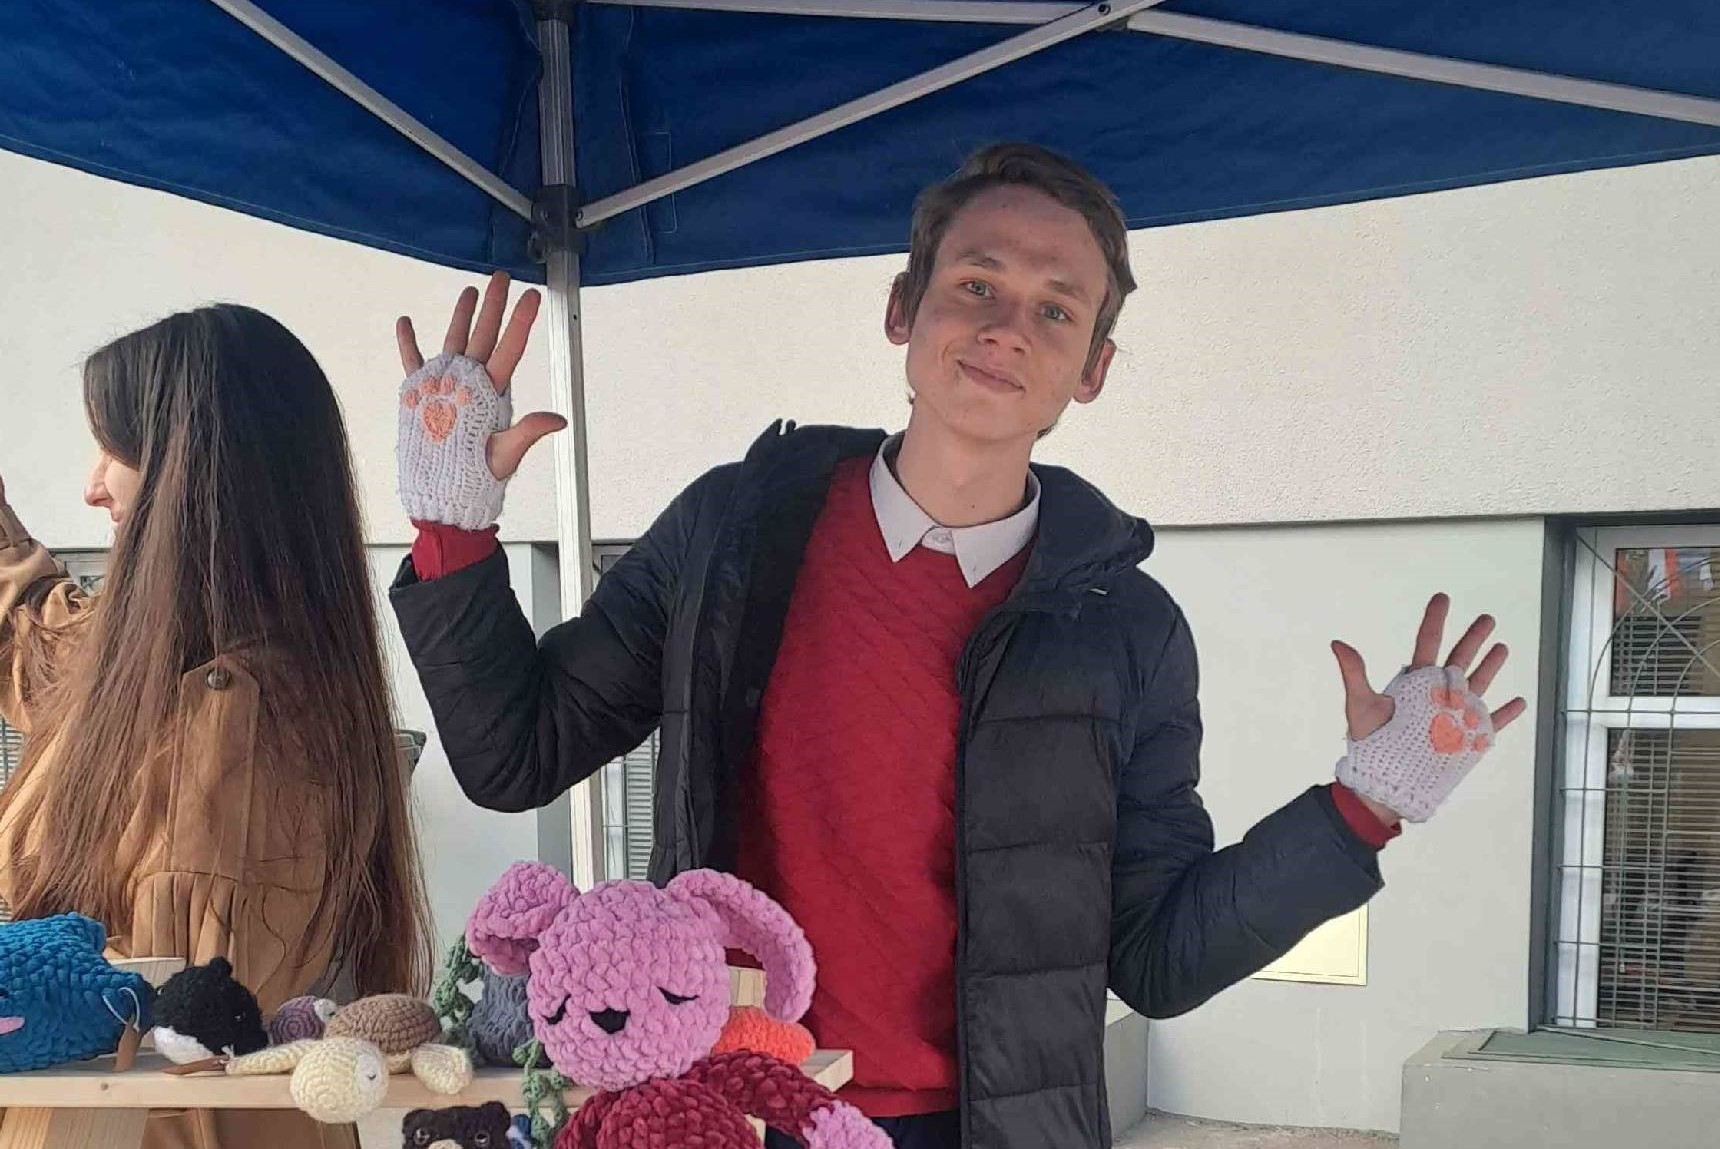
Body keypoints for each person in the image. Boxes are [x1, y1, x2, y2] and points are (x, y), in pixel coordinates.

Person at [388, 142, 1526, 1149]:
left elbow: (1157, 958)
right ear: (904, 308)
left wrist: (1360, 810)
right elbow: (517, 753)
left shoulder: (1127, 628)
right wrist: (452, 527)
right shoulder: (732, 534)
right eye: (976, 284)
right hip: (732, 1109)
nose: (1004, 328)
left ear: (1093, 370)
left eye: (1056, 310)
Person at [0, 305, 436, 1149]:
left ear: (195, 473)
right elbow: (34, 632)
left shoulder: (240, 725)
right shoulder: (148, 665)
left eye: (116, 448)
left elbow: (163, 1042)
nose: (93, 485)